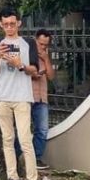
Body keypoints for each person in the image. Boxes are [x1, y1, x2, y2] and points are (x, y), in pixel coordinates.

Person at [0, 7, 40, 180]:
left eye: (12, 23)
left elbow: (35, 70)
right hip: (2, 97)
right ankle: (13, 178)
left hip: (22, 97)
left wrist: (20, 65)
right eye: (6, 24)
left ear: (19, 23)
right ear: (1, 25)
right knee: (7, 139)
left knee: (25, 139)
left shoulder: (28, 43)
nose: (9, 27)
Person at [30, 29, 54, 170]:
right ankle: (18, 156)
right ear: (35, 40)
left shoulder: (46, 55)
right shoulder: (28, 52)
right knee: (23, 130)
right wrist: (33, 75)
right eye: (41, 44)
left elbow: (51, 76)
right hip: (28, 96)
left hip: (42, 97)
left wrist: (46, 59)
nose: (43, 47)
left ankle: (37, 157)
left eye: (46, 44)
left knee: (42, 129)